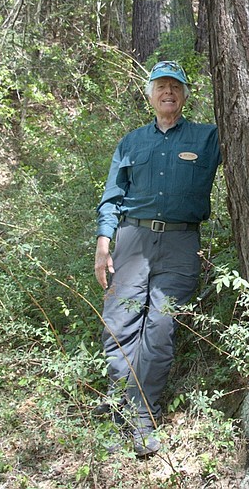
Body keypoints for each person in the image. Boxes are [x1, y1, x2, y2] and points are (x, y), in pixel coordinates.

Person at [93, 60, 221, 455]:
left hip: (181, 244)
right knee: (118, 325)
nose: (168, 92)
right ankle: (120, 412)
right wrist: (103, 245)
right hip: (132, 240)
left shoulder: (207, 138)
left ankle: (144, 420)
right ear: (149, 95)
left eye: (175, 87)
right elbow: (112, 198)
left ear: (184, 95)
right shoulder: (131, 142)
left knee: (160, 329)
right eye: (161, 86)